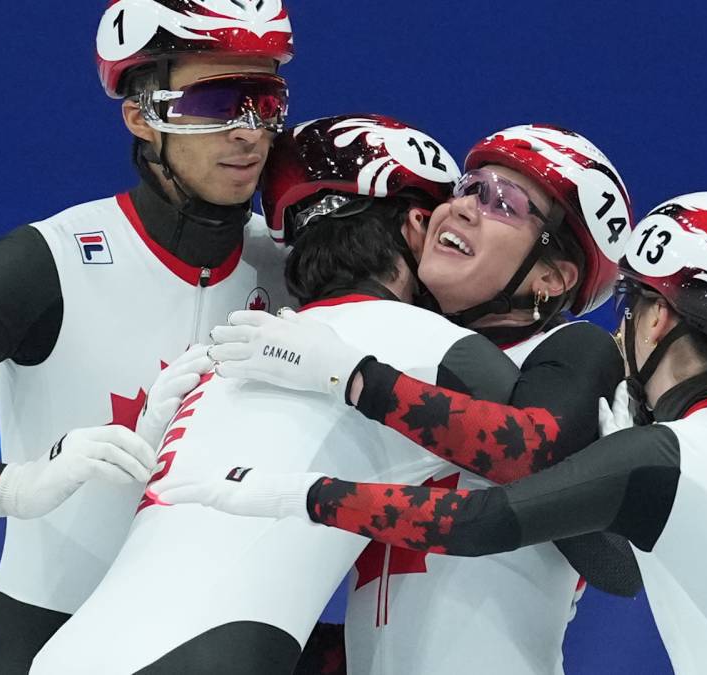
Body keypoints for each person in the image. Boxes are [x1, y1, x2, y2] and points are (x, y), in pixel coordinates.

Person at [160, 192, 707, 675]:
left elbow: (481, 521)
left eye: (628, 310)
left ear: (657, 317)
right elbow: (626, 564)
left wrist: (294, 489)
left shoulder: (660, 456)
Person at [0, 1, 296, 671]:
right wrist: (8, 485)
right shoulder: (51, 260)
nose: (248, 132)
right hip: (41, 639)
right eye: (215, 101)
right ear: (140, 114)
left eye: (265, 101)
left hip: (213, 643)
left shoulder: (292, 265)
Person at [29, 113, 524, 674]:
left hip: (69, 653)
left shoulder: (221, 358)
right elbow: (574, 485)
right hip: (211, 657)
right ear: (413, 226)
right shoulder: (432, 345)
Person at [208, 124, 640, 674]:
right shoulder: (410, 348)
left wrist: (353, 377)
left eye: (503, 202)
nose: (462, 208)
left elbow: (529, 454)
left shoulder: (575, 349)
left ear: (552, 278)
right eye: (468, 186)